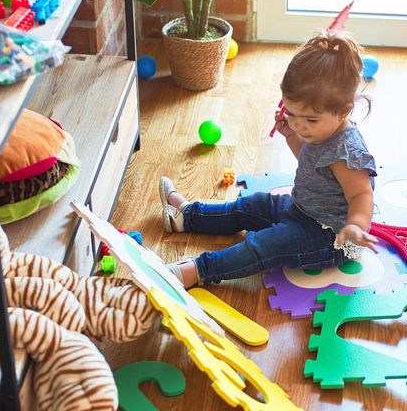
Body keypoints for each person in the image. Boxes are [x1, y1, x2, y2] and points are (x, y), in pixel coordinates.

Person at [160, 32, 378, 288]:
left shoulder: (347, 152)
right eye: (293, 113)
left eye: (309, 120)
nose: (299, 125)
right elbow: (310, 165)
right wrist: (290, 136)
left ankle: (198, 271)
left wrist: (355, 225)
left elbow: (361, 196)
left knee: (264, 245)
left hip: (328, 237)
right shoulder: (320, 128)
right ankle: (188, 217)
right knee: (250, 205)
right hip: (301, 209)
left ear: (343, 112)